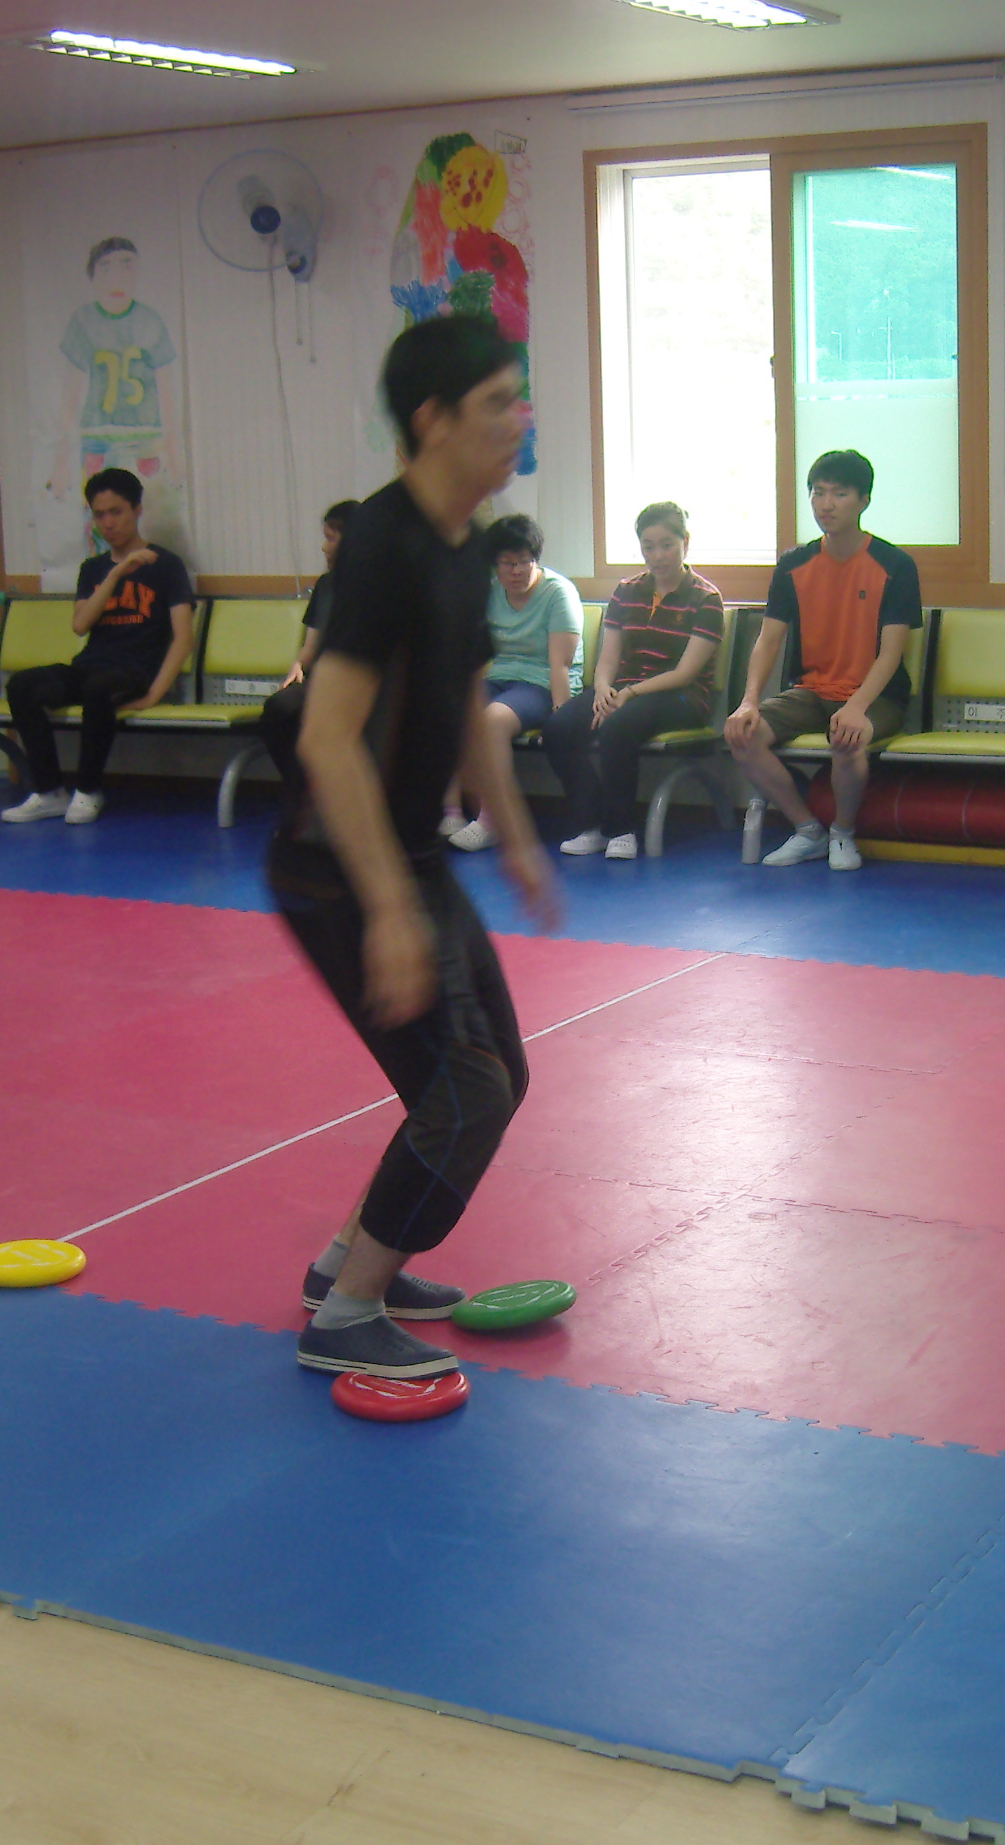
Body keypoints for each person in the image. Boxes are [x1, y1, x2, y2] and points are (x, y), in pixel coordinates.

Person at [276, 314, 559, 1381]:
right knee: (467, 1093)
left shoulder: (463, 542)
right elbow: (326, 736)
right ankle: (345, 1318)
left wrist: (517, 840)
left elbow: (470, 703)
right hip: (338, 869)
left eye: (519, 398)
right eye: (498, 403)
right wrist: (388, 908)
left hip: (412, 862)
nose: (519, 419)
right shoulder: (385, 545)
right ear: (434, 420)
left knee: (497, 1076)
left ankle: (347, 1265)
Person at [722, 450, 920, 871]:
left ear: (863, 500)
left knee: (847, 738)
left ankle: (842, 833)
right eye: (818, 492)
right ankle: (808, 829)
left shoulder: (895, 565)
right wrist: (748, 701)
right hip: (811, 689)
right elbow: (768, 639)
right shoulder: (794, 564)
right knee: (742, 735)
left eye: (839, 494)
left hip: (875, 695)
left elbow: (891, 653)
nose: (826, 504)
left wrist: (856, 707)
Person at [1, 468, 196, 826]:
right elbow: (80, 625)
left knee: (98, 688)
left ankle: (88, 790)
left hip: (134, 671)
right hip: (89, 666)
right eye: (100, 514)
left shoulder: (167, 565)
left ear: (137, 510)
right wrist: (116, 574)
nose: (108, 523)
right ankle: (49, 791)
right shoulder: (93, 569)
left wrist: (154, 694)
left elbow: (184, 638)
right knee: (22, 685)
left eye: (116, 512)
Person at [543, 501, 725, 860]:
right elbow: (609, 658)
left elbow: (685, 673)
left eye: (667, 545)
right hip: (626, 688)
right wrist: (603, 689)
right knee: (559, 727)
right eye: (648, 546)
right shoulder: (626, 591)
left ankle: (621, 829)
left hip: (682, 696)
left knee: (618, 726)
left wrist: (629, 693)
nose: (657, 556)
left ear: (685, 542)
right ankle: (591, 823)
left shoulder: (706, 598)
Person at [444, 514, 582, 851]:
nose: (516, 570)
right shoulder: (490, 592)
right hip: (499, 678)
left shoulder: (557, 593)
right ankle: (450, 811)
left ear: (536, 559)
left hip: (542, 683)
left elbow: (560, 665)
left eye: (524, 561)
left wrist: (561, 716)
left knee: (491, 720)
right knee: (447, 708)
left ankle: (492, 820)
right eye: (507, 563)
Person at [61, 237, 179, 518]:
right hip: (96, 433)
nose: (117, 276)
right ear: (93, 276)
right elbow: (70, 392)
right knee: (98, 516)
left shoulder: (150, 320)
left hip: (145, 433)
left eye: (126, 265)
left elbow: (166, 390)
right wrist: (60, 459)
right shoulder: (83, 321)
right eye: (106, 268)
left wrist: (174, 454)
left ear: (138, 272)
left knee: (152, 516)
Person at [257, 499, 360, 791]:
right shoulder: (326, 585)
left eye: (331, 538)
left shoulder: (377, 585)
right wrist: (298, 665)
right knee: (279, 709)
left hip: (358, 683)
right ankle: (304, 791)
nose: (324, 547)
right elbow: (311, 645)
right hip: (322, 681)